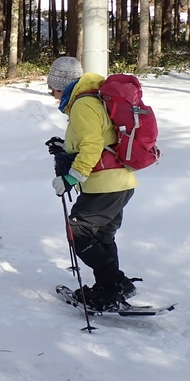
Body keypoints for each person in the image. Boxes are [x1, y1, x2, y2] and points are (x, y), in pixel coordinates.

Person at [47, 56, 138, 311]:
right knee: (102, 236)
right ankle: (106, 291)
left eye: (52, 88)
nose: (52, 94)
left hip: (104, 184)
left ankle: (117, 283)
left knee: (77, 231)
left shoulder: (82, 105)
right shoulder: (93, 99)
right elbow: (99, 138)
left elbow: (93, 145)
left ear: (62, 85)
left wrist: (71, 178)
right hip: (119, 181)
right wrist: (64, 147)